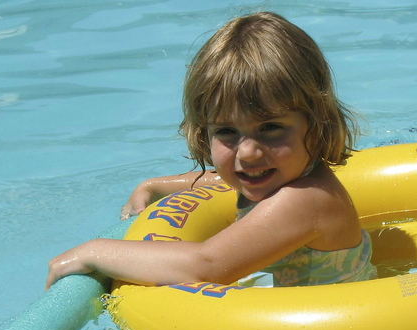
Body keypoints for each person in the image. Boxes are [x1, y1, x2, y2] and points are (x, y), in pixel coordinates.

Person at [45, 12, 376, 290]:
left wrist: (95, 251)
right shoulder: (278, 180)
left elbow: (209, 266)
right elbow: (215, 181)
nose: (247, 153)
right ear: (205, 133)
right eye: (227, 132)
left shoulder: (306, 200)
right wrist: (153, 186)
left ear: (316, 124)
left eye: (270, 128)